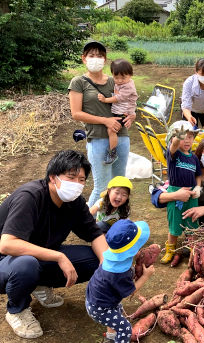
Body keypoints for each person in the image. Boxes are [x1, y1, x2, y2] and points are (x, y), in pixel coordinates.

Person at [0, 150, 108, 339]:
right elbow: (7, 245)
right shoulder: (30, 197)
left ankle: (39, 285)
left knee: (94, 259)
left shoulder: (74, 202)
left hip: (35, 256)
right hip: (6, 262)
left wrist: (107, 265)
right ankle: (17, 310)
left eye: (81, 180)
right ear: (53, 177)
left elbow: (95, 234)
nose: (76, 185)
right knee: (27, 264)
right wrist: (58, 256)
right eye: (71, 177)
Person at [69, 41, 135, 208]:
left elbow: (129, 99)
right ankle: (89, 223)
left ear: (105, 60)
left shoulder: (116, 80)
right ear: (84, 59)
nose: (95, 59)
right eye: (91, 55)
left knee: (120, 184)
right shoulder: (79, 82)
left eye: (99, 56)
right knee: (102, 186)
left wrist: (133, 114)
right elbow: (76, 113)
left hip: (121, 136)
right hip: (98, 138)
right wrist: (105, 120)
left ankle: (115, 222)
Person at [86, 219, 154, 343]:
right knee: (125, 328)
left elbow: (126, 272)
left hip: (97, 299)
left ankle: (111, 338)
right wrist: (145, 276)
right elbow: (130, 292)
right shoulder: (119, 274)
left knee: (118, 310)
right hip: (100, 309)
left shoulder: (113, 258)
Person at [160, 120, 202, 265]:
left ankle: (194, 251)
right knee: (174, 225)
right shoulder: (173, 155)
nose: (187, 140)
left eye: (190, 137)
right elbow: (173, 146)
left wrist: (198, 187)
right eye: (184, 137)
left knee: (192, 224)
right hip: (175, 193)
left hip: (191, 196)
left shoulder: (194, 158)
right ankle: (170, 250)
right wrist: (178, 136)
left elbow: (198, 175)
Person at [97, 59, 138, 165]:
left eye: (123, 77)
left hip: (123, 113)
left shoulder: (128, 86)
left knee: (111, 130)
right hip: (120, 111)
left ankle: (112, 153)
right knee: (112, 130)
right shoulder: (121, 82)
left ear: (130, 75)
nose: (119, 80)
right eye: (116, 77)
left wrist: (105, 100)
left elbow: (118, 98)